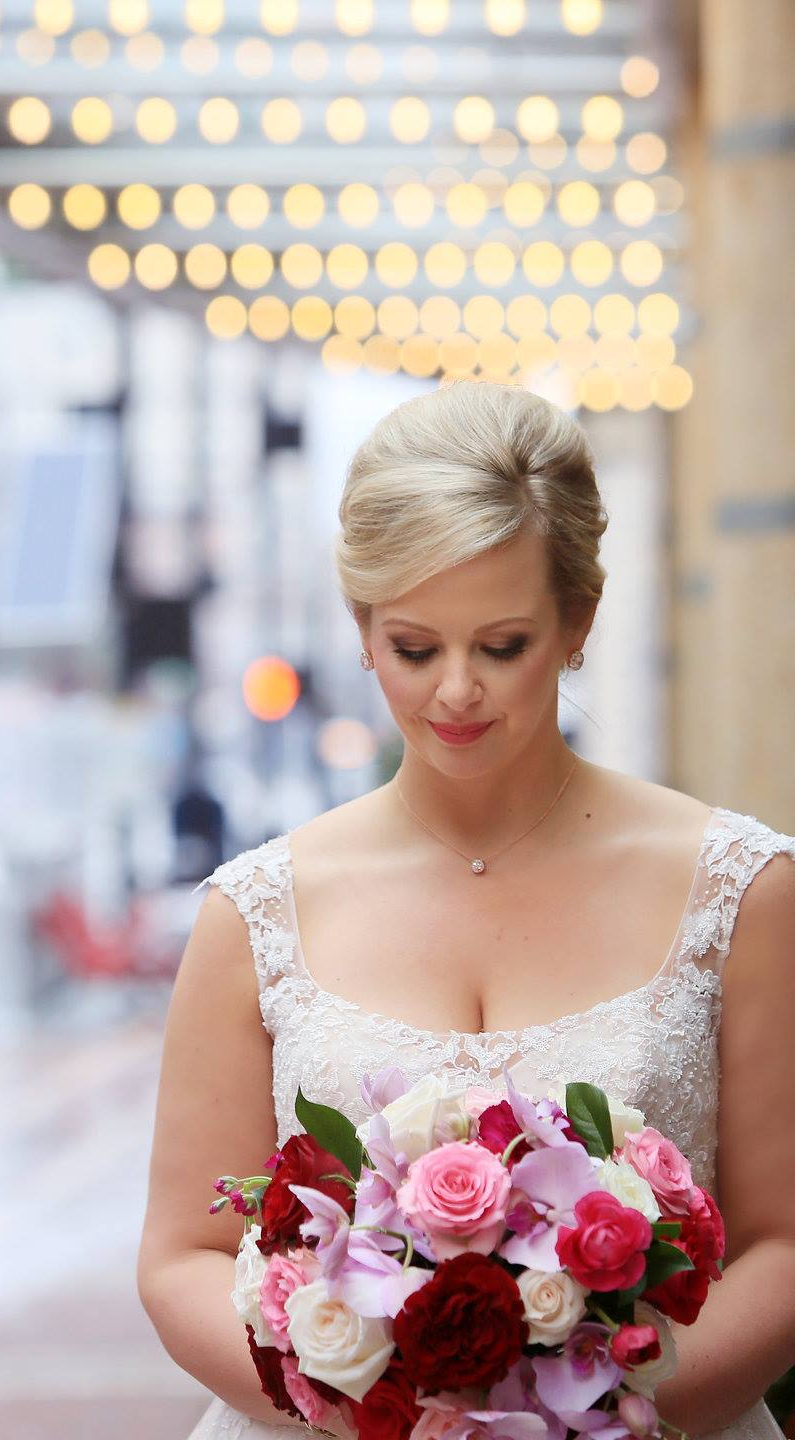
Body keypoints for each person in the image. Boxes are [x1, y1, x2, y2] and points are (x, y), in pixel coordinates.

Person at [137, 381, 795, 1440]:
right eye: (413, 648)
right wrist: (364, 1414)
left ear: (576, 621)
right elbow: (180, 1255)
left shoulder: (740, 890)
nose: (455, 693)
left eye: (501, 646)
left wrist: (609, 1418)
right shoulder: (256, 912)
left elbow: (785, 1242)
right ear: (360, 630)